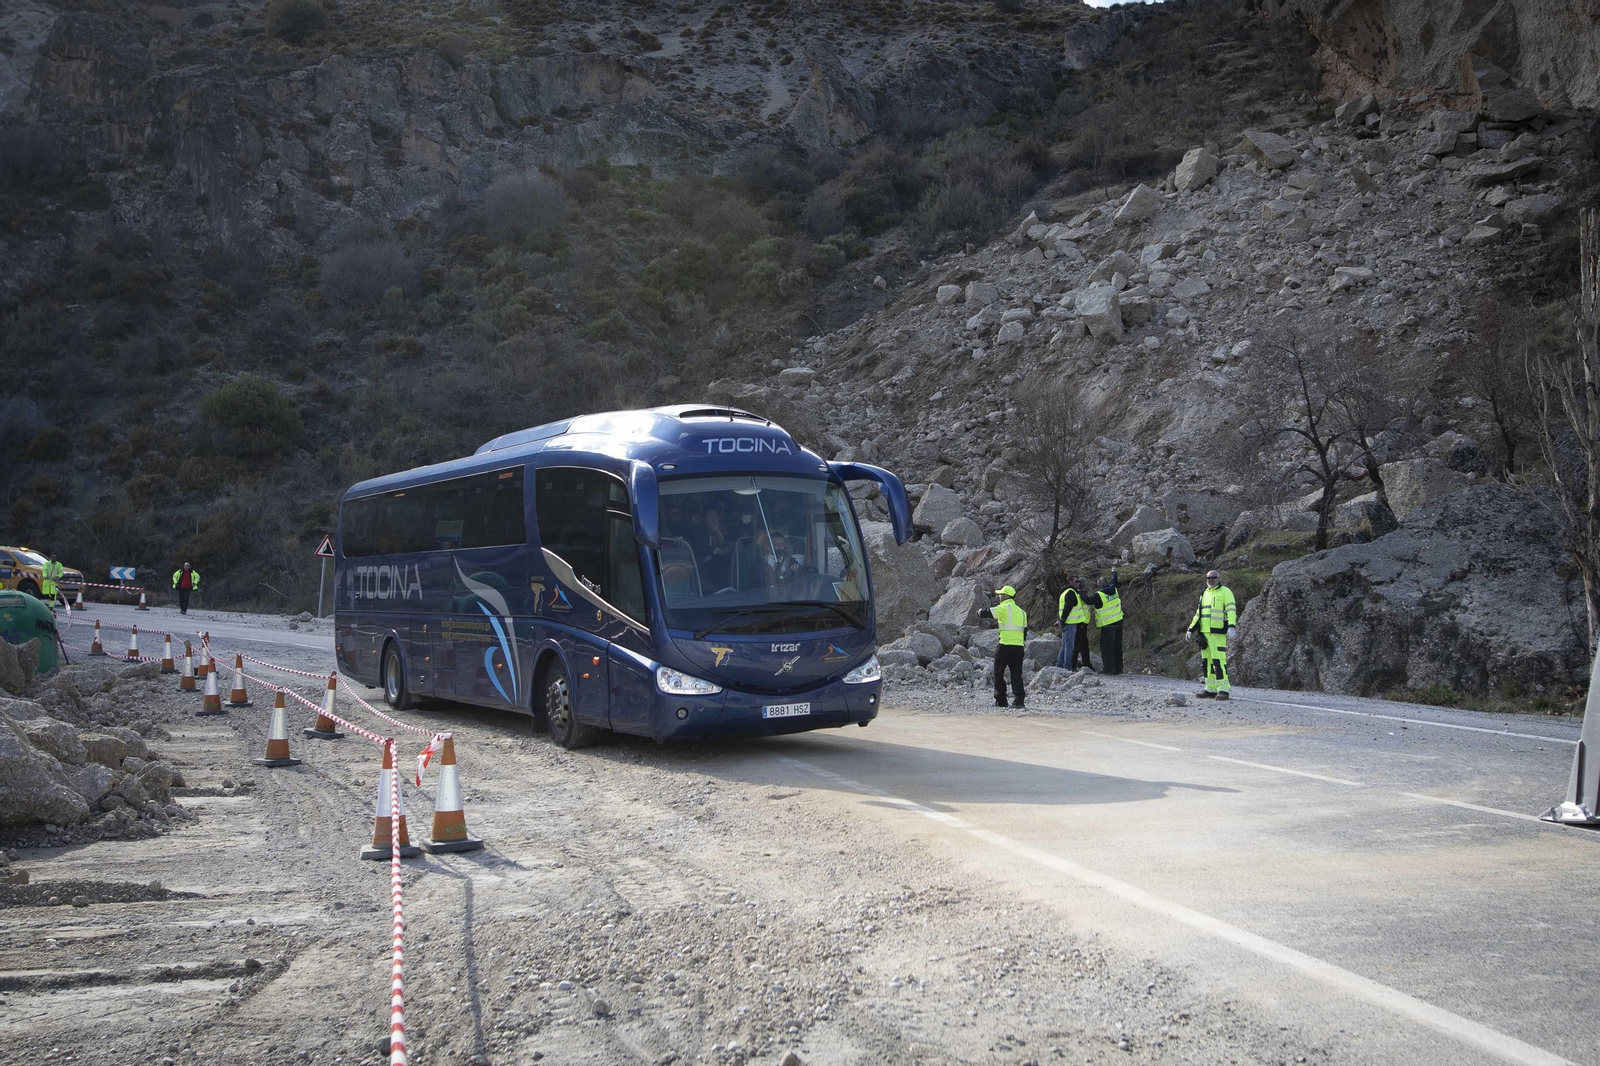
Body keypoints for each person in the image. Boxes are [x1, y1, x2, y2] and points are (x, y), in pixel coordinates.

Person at [1188, 569, 1237, 699]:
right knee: (1206, 662)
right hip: (1204, 634)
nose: (1211, 580)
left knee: (1218, 661)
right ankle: (1210, 688)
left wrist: (1232, 626)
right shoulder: (1204, 593)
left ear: (1219, 578)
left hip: (1218, 634)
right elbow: (1199, 614)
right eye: (1209, 578)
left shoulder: (1225, 592)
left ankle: (1223, 689)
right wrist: (1191, 629)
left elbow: (1231, 610)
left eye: (1213, 577)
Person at [978, 584, 1028, 709]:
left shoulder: (1004, 608)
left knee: (998, 673)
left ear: (1005, 596)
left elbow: (986, 613)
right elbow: (1025, 632)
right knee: (1017, 674)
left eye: (1001, 594)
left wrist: (978, 611)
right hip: (1018, 647)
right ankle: (1019, 700)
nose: (999, 596)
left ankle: (1001, 700)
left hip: (1005, 645)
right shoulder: (1022, 612)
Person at [1084, 568, 1123, 675]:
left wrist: (1080, 593)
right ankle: (1118, 668)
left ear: (1099, 586)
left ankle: (1108, 669)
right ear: (1106, 583)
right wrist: (1114, 571)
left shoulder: (1099, 595)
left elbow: (1087, 600)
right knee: (1117, 646)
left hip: (1107, 625)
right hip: (1118, 622)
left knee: (1107, 648)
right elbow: (1114, 581)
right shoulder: (1113, 589)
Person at [1056, 572, 1090, 669]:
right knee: (1069, 646)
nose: (1078, 583)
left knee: (1064, 645)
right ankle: (1068, 666)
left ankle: (1059, 664)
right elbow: (1068, 607)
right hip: (1070, 623)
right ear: (1070, 582)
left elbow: (1060, 609)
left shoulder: (1064, 593)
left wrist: (1060, 621)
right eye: (1076, 581)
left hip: (1066, 623)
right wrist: (1062, 620)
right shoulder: (1071, 593)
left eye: (1078, 581)